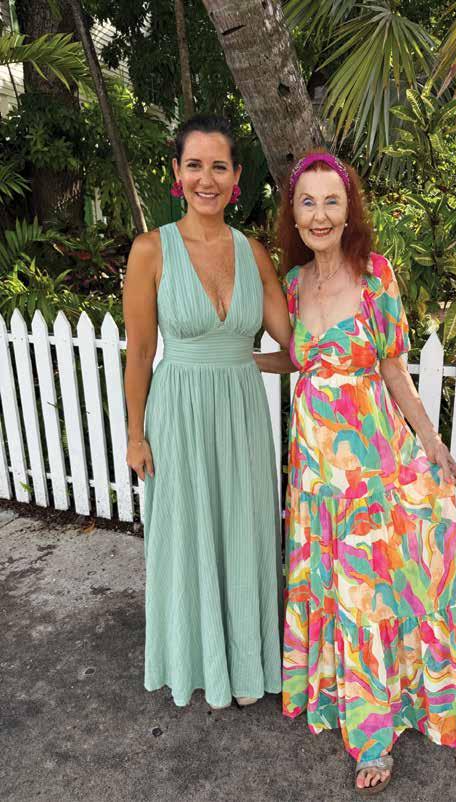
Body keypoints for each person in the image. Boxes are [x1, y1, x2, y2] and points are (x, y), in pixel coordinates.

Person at [274, 151, 456, 794]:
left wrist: (432, 442)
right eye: (308, 202)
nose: (320, 214)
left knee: (368, 597)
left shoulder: (375, 276)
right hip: (315, 473)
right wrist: (235, 361)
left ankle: (373, 738)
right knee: (335, 591)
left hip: (371, 470)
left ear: (348, 211)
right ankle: (338, 696)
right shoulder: (290, 284)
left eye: (332, 201)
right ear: (294, 215)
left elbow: (392, 369)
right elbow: (300, 361)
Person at [122, 114, 291, 710]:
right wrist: (135, 435)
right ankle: (199, 663)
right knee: (187, 534)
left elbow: (296, 345)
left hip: (241, 415)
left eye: (219, 166)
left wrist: (249, 361)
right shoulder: (151, 250)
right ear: (177, 172)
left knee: (244, 530)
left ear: (236, 176)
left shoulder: (253, 252)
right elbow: (140, 351)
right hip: (180, 414)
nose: (206, 179)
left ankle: (245, 666)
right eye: (194, 165)